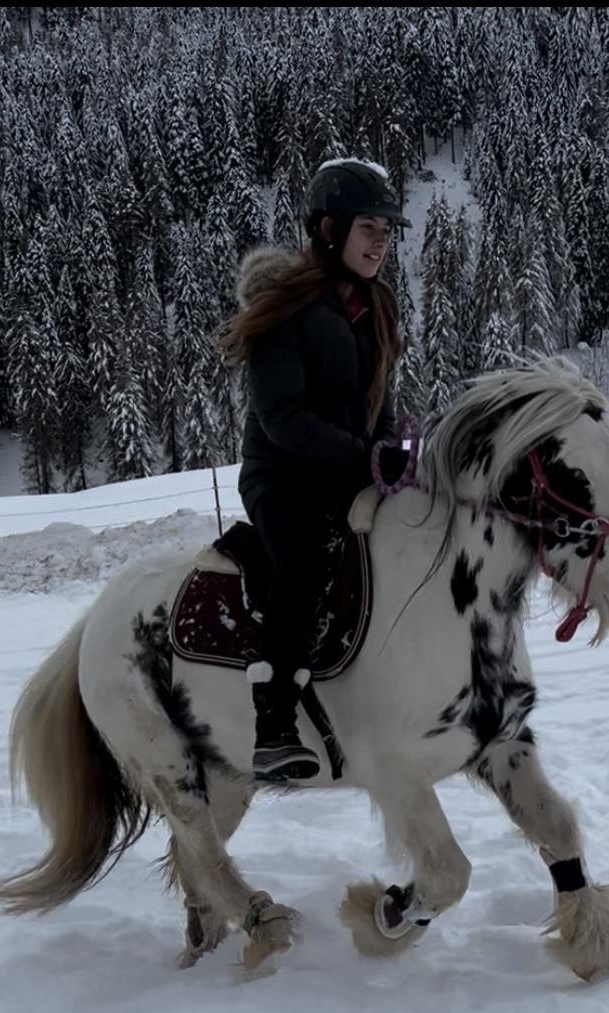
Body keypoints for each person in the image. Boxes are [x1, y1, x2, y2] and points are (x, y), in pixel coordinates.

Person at [217, 159, 411, 782]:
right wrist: (366, 456)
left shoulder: (375, 307)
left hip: (344, 471)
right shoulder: (285, 308)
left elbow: (379, 400)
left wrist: (391, 449)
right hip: (282, 475)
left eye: (388, 230)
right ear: (330, 229)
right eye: (369, 228)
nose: (381, 242)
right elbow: (284, 421)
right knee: (299, 561)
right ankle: (273, 722)